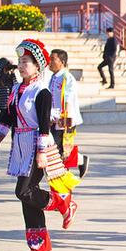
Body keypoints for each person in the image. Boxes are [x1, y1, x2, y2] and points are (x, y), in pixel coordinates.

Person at [0, 39, 80, 251]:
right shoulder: (17, 89)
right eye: (19, 61)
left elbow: (45, 126)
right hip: (20, 145)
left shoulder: (42, 92)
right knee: (27, 195)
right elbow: (8, 115)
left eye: (25, 61)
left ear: (38, 65)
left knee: (24, 191)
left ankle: (61, 202)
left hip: (38, 145)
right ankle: (39, 243)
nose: (20, 65)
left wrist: (40, 153)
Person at [48, 49, 90, 178]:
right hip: (54, 118)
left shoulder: (67, 77)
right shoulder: (53, 77)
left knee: (61, 149)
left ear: (62, 62)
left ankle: (65, 176)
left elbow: (68, 99)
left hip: (66, 119)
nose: (49, 61)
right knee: (58, 148)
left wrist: (63, 119)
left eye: (53, 59)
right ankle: (80, 160)